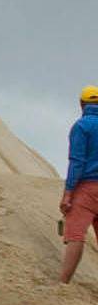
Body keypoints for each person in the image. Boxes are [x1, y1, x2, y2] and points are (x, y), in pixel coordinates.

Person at [58, 86, 98, 285]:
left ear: (82, 104)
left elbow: (77, 161)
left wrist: (68, 193)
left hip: (87, 187)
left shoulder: (81, 126)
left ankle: (64, 283)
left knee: (75, 234)